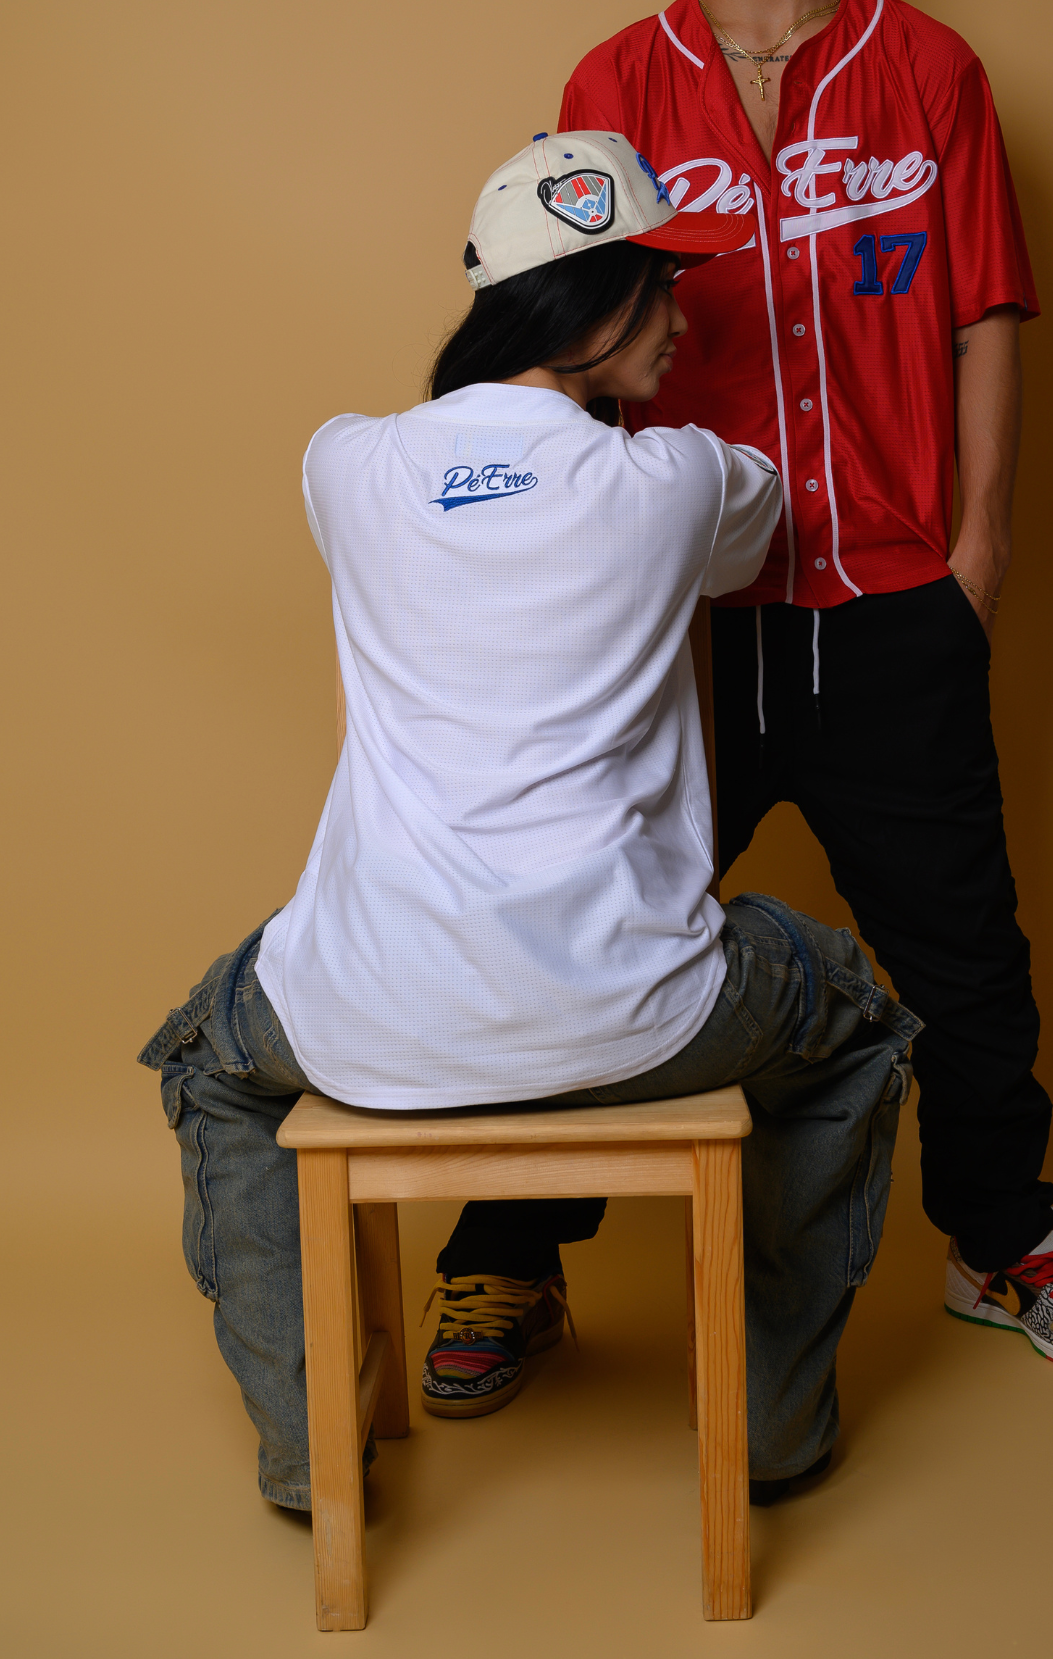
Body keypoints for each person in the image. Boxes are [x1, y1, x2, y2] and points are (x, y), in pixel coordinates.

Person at [462, 0, 1053, 1380]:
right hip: (678, 622)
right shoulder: (616, 84)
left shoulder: (930, 71)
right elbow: (568, 349)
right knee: (581, 930)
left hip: (891, 601)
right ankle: (510, 1259)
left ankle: (1004, 1239)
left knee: (963, 958)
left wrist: (976, 557)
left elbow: (987, 317)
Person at [138, 128, 922, 1512]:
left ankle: (309, 1458)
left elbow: (445, 495)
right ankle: (775, 1433)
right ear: (595, 301)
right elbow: (751, 543)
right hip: (639, 1015)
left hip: (367, 1010)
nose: (682, 320)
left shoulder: (345, 464)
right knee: (855, 1013)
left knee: (210, 1057)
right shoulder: (676, 479)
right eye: (661, 288)